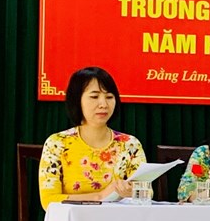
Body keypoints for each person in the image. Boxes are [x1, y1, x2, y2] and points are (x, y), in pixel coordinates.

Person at [38, 66, 145, 208]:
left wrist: (132, 192)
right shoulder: (57, 143)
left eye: (109, 97)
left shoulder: (130, 144)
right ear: (77, 100)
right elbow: (49, 201)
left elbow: (146, 192)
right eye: (94, 97)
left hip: (118, 220)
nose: (103, 104)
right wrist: (99, 197)